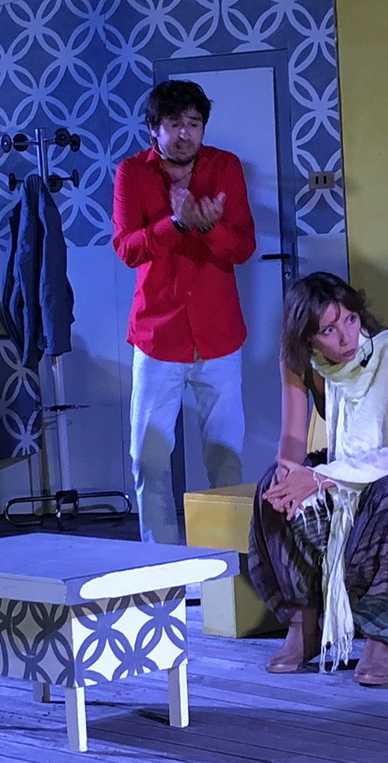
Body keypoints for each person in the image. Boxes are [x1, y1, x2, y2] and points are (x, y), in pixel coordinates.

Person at [249, 272, 388, 685]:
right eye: (329, 330)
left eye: (350, 319)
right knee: (271, 489)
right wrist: (289, 480)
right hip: (349, 459)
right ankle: (305, 622)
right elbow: (292, 439)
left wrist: (320, 479)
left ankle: (383, 637)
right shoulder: (300, 363)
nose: (346, 337)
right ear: (308, 338)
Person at [113, 79, 256, 544]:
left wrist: (208, 228)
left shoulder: (224, 167)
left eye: (193, 124)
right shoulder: (131, 173)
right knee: (149, 458)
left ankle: (229, 558)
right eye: (174, 124)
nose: (184, 134)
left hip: (218, 335)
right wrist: (176, 224)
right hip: (158, 335)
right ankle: (160, 563)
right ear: (153, 128)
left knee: (225, 456)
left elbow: (243, 247)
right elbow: (127, 249)